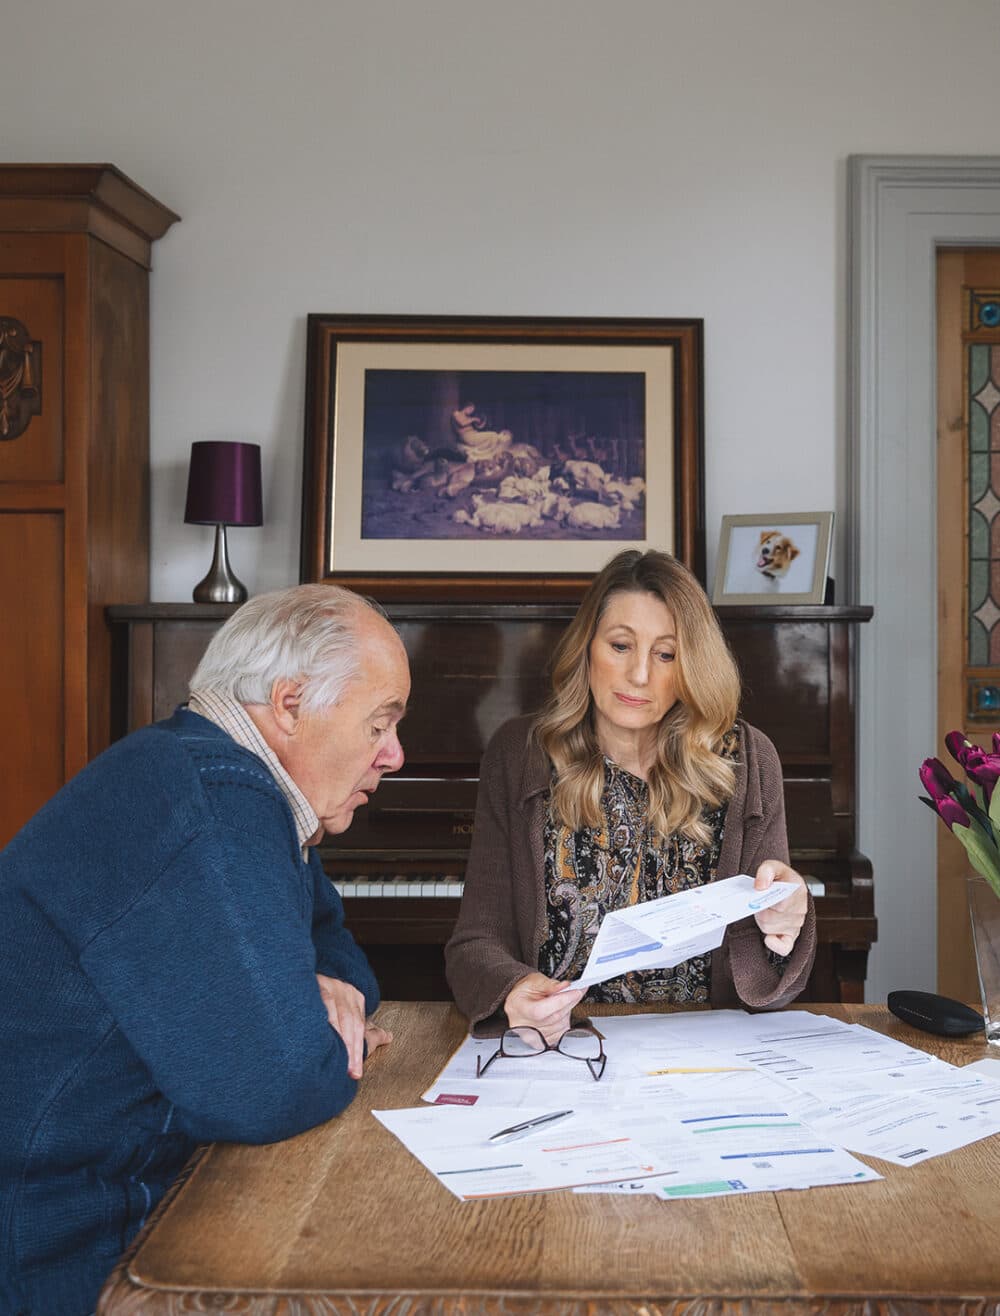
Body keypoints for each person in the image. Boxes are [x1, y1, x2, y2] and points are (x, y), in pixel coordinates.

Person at [0, 583, 410, 1316]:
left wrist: (315, 987)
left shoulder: (219, 775)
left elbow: (343, 958)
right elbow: (273, 1089)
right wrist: (306, 1006)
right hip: (56, 1236)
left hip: (122, 1188)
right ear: (289, 705)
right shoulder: (214, 795)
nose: (396, 755)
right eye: (380, 723)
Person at [445, 549, 814, 1041]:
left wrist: (789, 915)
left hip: (706, 1050)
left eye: (665, 654)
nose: (640, 674)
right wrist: (514, 989)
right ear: (588, 647)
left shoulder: (747, 761)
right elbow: (475, 942)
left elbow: (769, 967)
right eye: (621, 645)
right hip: (567, 1046)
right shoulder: (520, 755)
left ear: (691, 666)